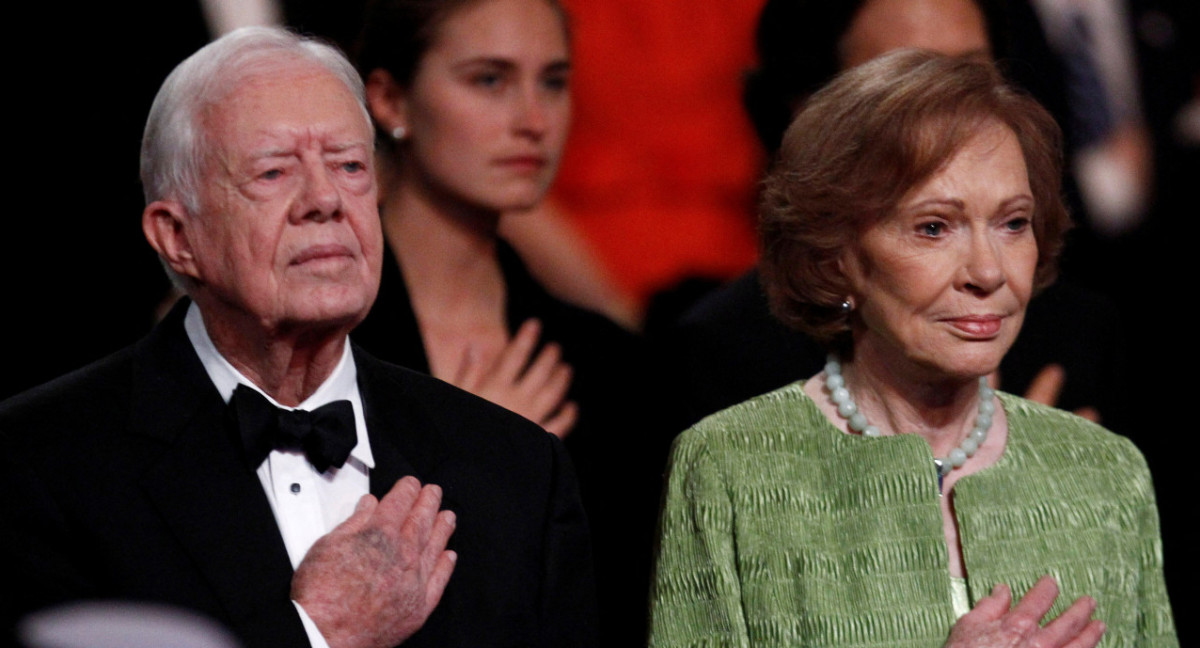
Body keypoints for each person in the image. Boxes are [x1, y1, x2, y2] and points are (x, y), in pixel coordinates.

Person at [2, 26, 596, 648]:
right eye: (273, 172)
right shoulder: (37, 465)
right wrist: (316, 631)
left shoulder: (518, 470)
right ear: (178, 236)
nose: (325, 200)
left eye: (348, 166)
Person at [648, 51, 1176, 647]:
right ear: (837, 256)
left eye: (1012, 223)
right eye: (934, 227)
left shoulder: (1105, 473)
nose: (987, 271)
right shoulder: (729, 468)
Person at [350, 1, 659, 642]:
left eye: (553, 81)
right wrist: (471, 456)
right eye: (489, 80)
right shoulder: (314, 345)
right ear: (389, 100)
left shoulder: (607, 363)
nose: (533, 120)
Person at [667, 0, 1124, 432]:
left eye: (970, 75)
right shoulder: (722, 358)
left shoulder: (1089, 337)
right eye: (907, 85)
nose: (952, 115)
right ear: (810, 119)